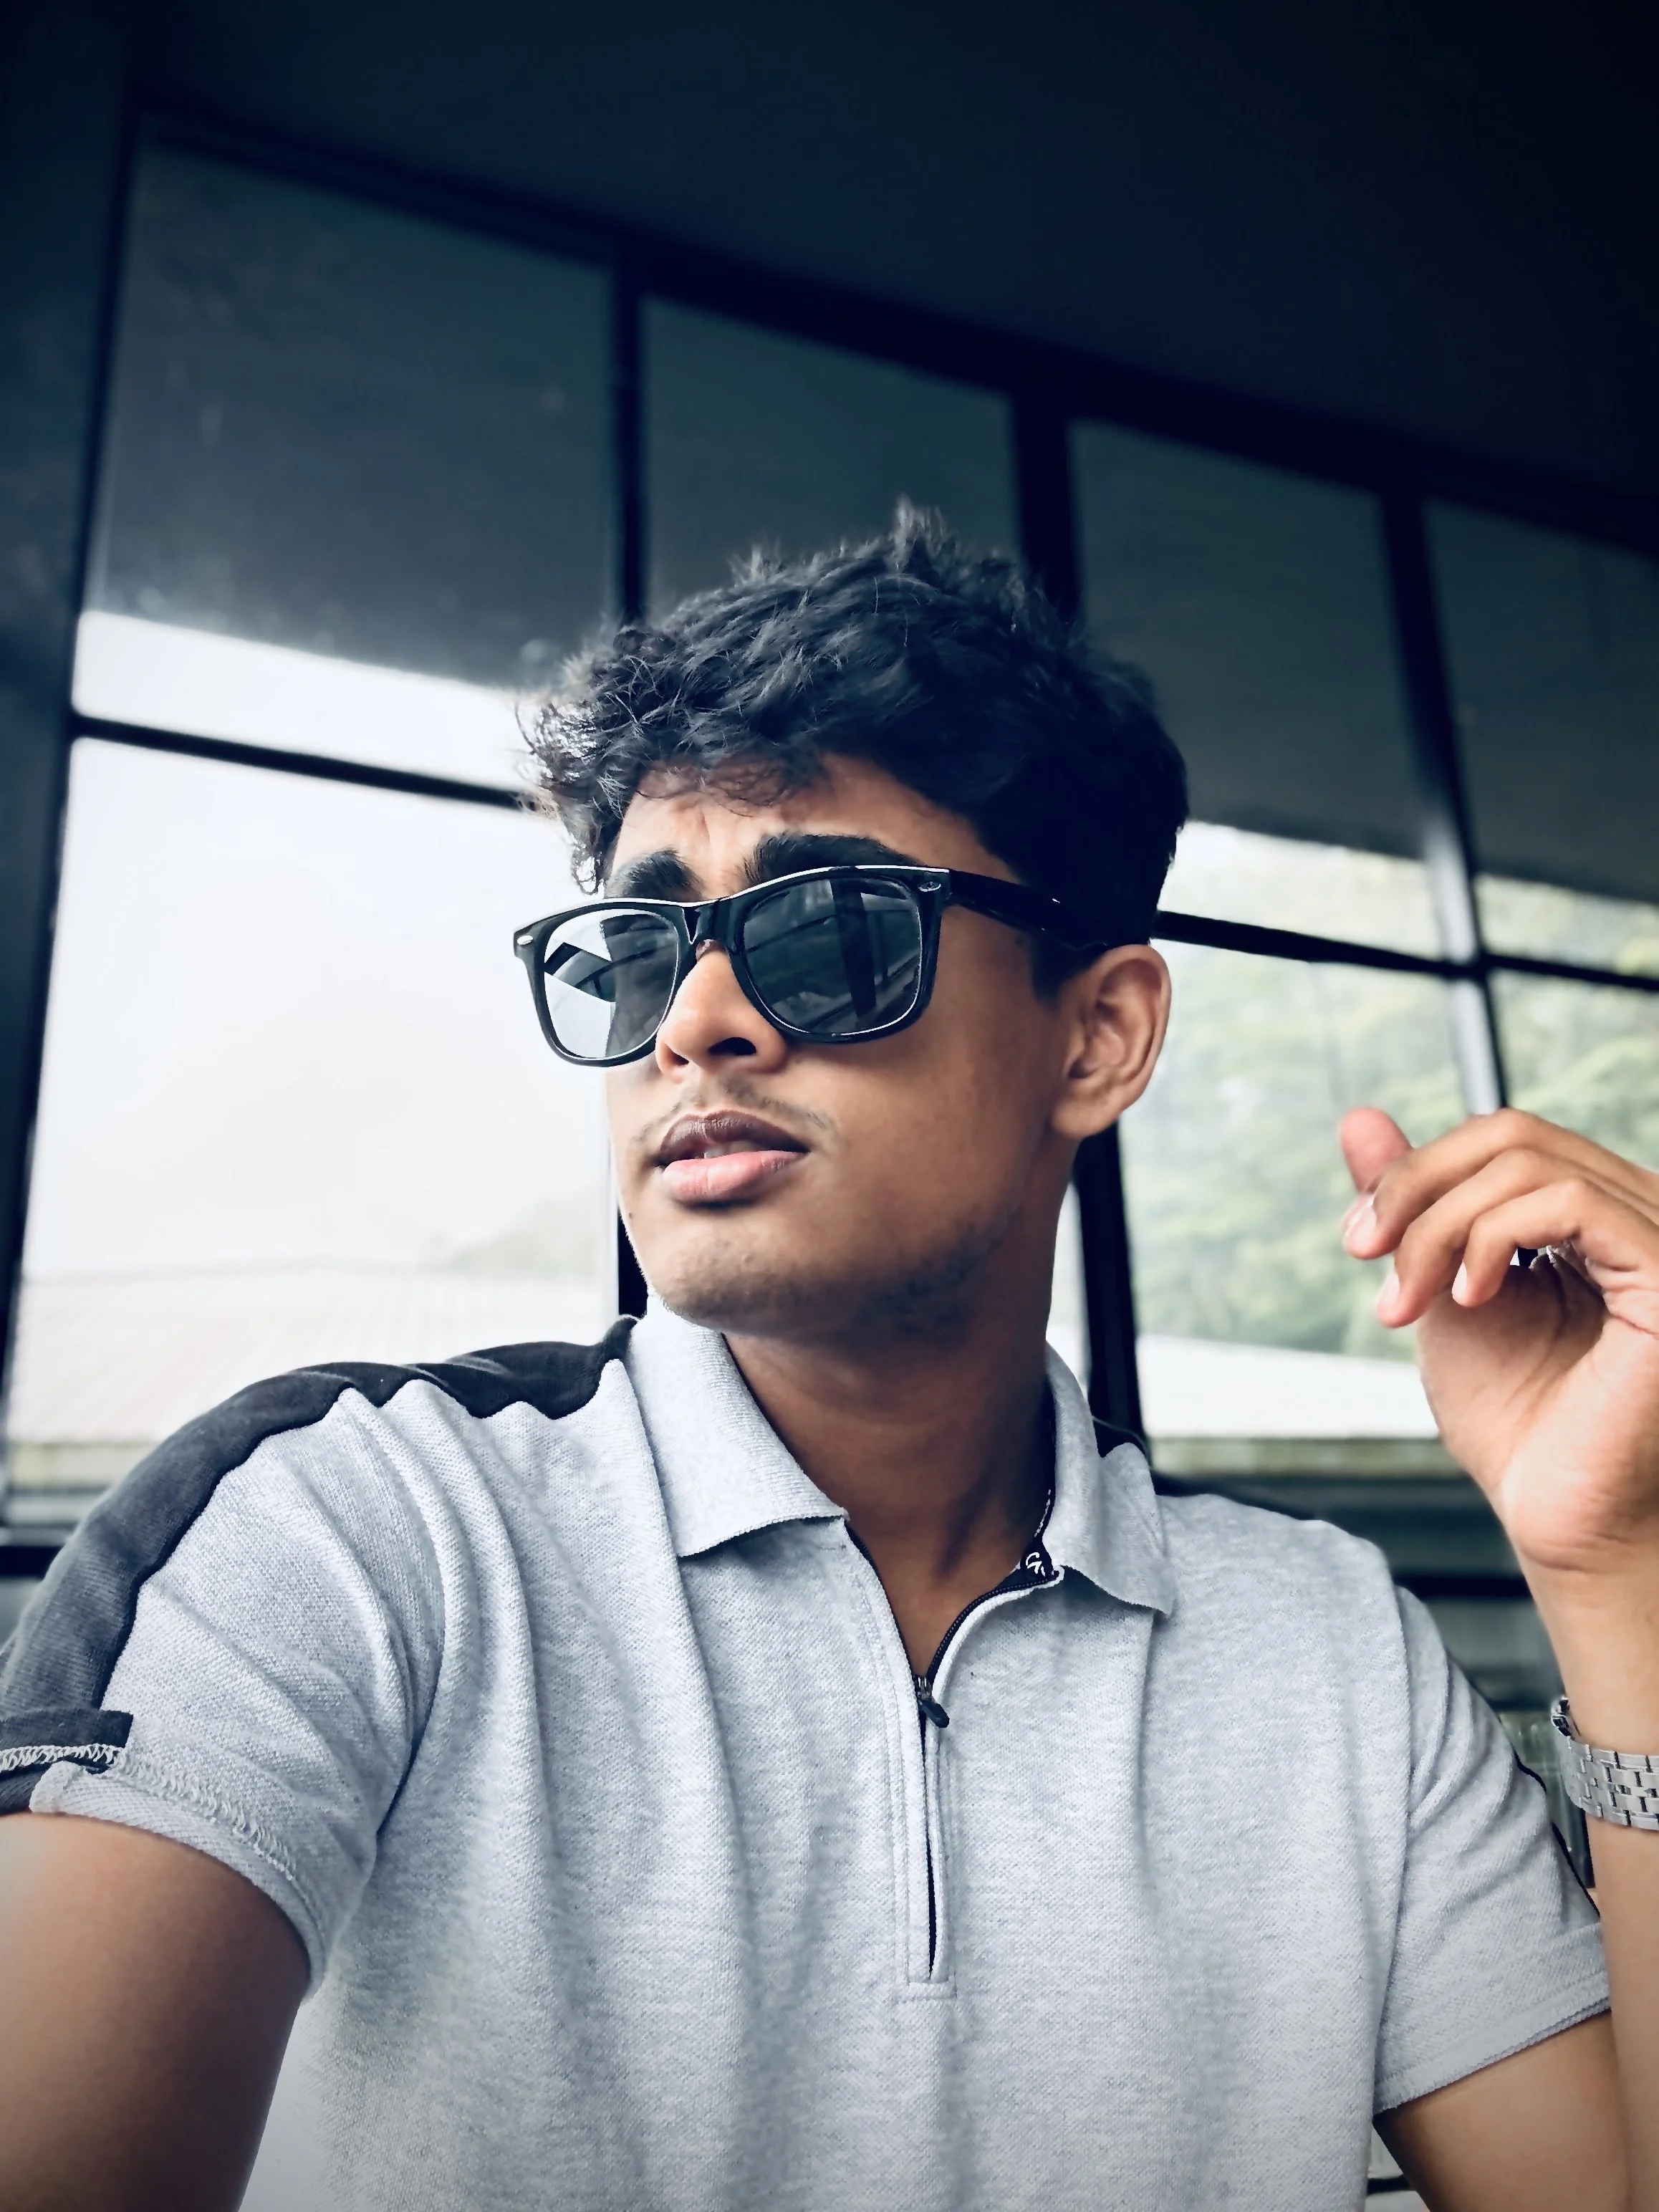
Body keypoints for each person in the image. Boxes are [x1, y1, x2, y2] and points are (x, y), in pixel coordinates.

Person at [1, 511, 1657, 2212]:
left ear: (1098, 1034)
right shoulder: (348, 1531)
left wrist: (1618, 1567)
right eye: (641, 951)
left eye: (830, 928)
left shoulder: (1330, 1656)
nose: (699, 1020)